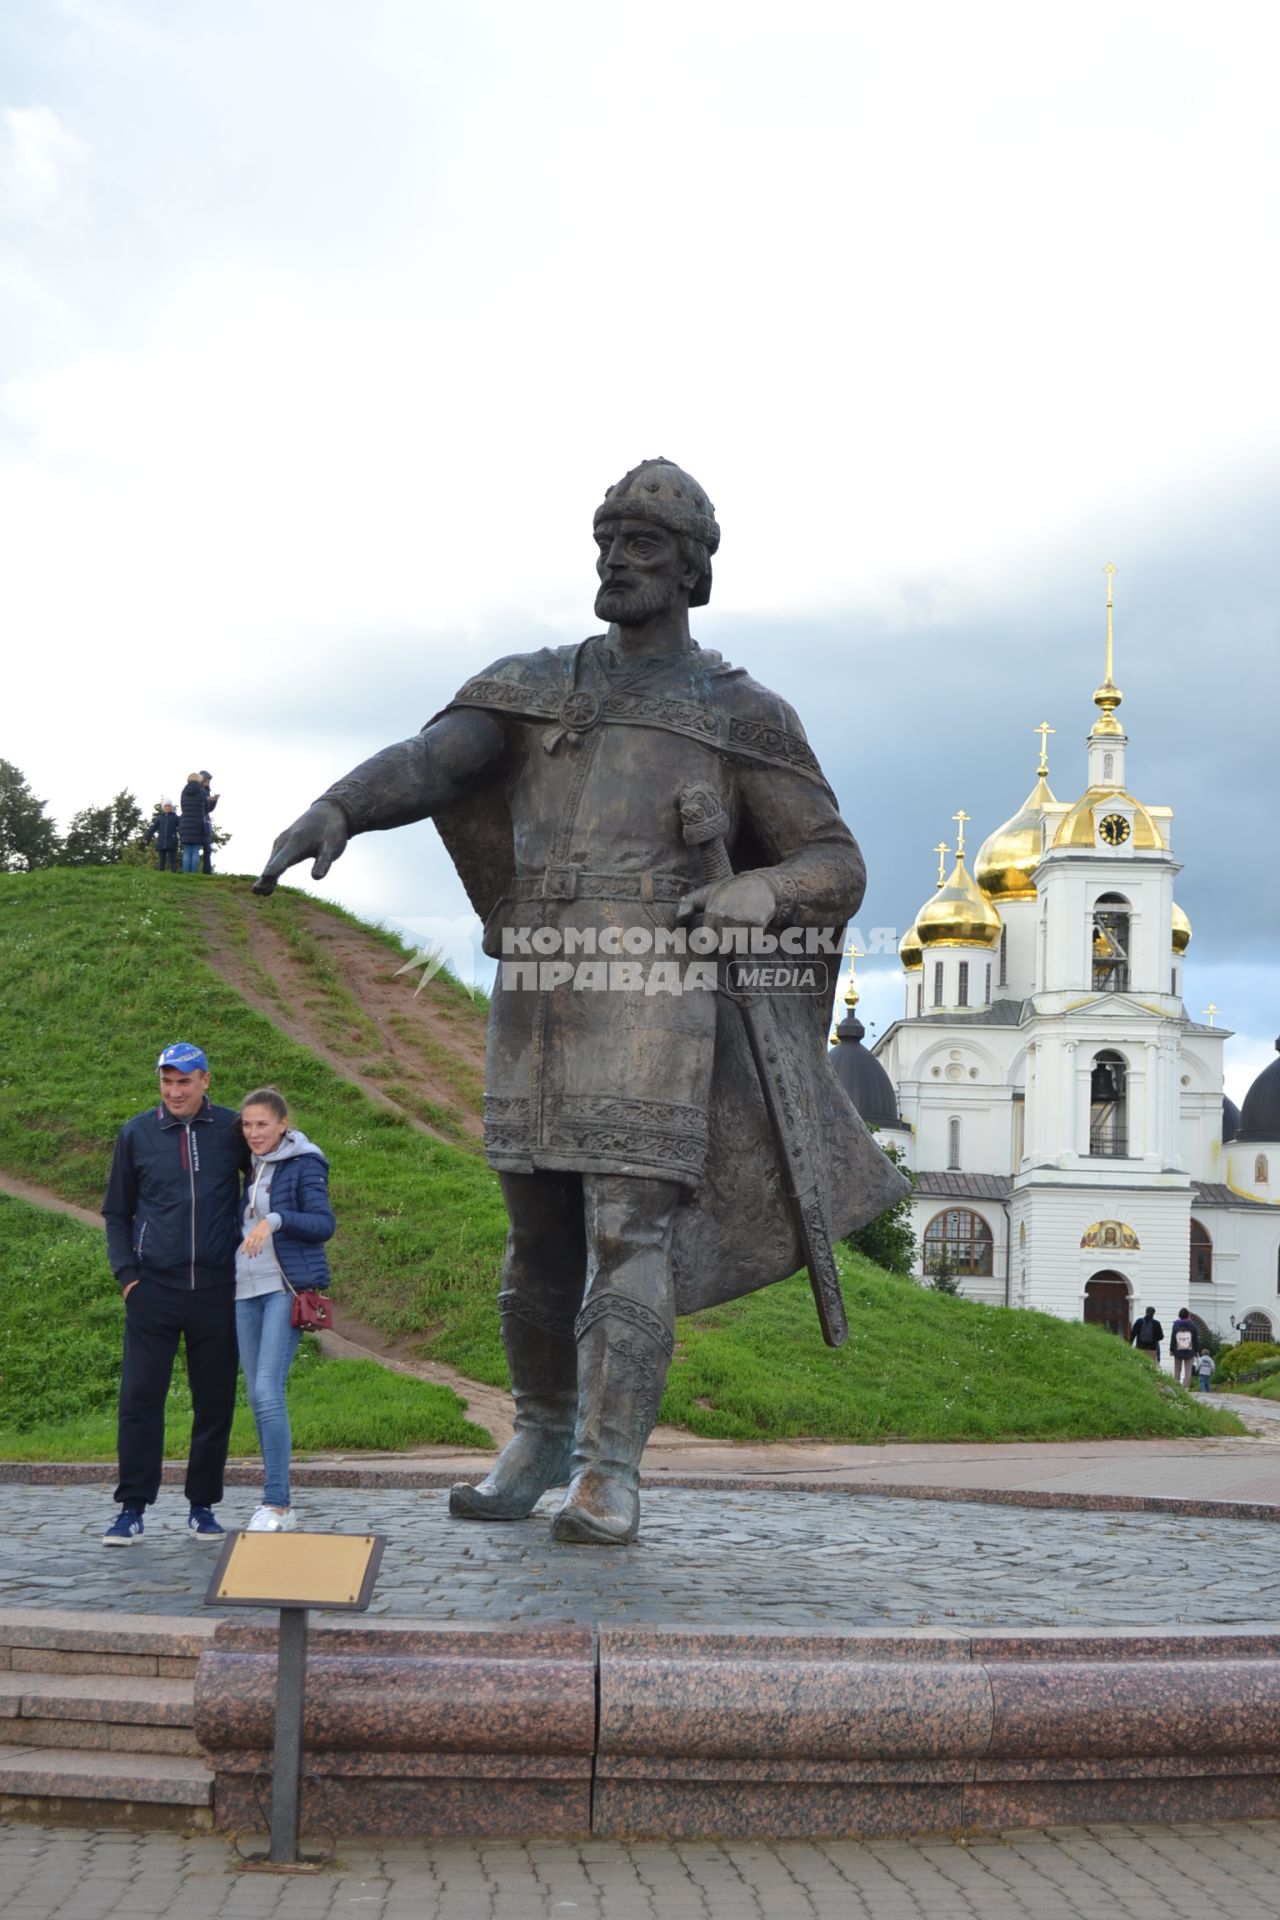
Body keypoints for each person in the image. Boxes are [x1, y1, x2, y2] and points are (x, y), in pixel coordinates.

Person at [254, 457, 903, 1546]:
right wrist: (339, 807)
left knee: (624, 1223)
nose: (617, 560)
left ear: (692, 572)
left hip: (654, 995)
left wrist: (758, 885)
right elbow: (430, 761)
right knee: (535, 1234)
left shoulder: (741, 715)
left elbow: (835, 863)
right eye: (608, 540)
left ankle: (610, 1469)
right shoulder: (531, 685)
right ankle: (538, 1432)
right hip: (542, 985)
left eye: (643, 545)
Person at [100, 1042, 249, 1544]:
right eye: (167, 1081)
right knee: (140, 1399)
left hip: (217, 1288)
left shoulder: (233, 1131)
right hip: (153, 1289)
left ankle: (202, 1506)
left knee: (214, 1402)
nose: (174, 1091)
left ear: (206, 1081)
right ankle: (131, 1508)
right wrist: (127, 1277)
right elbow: (116, 1212)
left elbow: (276, 1166)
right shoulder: (137, 1134)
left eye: (184, 1081)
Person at [236, 1087, 335, 1532]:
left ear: (282, 1124)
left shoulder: (305, 1162)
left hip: (282, 1287)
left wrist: (275, 1220)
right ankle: (278, 1501)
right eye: (247, 1125)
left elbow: (323, 1224)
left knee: (266, 1390)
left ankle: (276, 1504)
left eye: (262, 1124)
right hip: (243, 1289)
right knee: (257, 1398)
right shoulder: (251, 1165)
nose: (254, 1133)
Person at [178, 773, 208, 874]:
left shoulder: (184, 791)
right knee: (195, 850)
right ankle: (193, 874)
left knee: (186, 851)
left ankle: (186, 874)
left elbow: (182, 806)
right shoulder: (202, 791)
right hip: (198, 823)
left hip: (185, 822)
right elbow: (206, 807)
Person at [142, 802, 181, 871]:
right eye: (166, 806)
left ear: (171, 807)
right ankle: (161, 871)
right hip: (162, 840)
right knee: (162, 858)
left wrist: (182, 837)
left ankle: (173, 871)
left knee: (172, 858)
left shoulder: (175, 817)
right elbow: (154, 828)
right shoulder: (160, 818)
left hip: (172, 840)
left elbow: (181, 827)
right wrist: (148, 836)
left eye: (169, 806)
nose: (167, 807)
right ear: (163, 808)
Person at [1170, 1307, 1200, 1387]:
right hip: (1190, 1351)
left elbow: (1173, 1337)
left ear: (1179, 1315)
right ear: (1188, 1315)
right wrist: (1197, 1351)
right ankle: (1185, 1387)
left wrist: (1171, 1349)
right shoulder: (1192, 1325)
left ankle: (1176, 1386)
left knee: (1177, 1369)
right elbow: (1195, 1339)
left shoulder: (1176, 1324)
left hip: (1177, 1350)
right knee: (1188, 1371)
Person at [199, 770, 219, 875]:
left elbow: (209, 809)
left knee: (208, 848)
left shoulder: (207, 791)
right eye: (206, 781)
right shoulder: (195, 790)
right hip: (197, 821)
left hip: (206, 822)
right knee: (194, 848)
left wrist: (214, 801)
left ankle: (207, 872)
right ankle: (191, 872)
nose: (207, 783)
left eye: (208, 781)